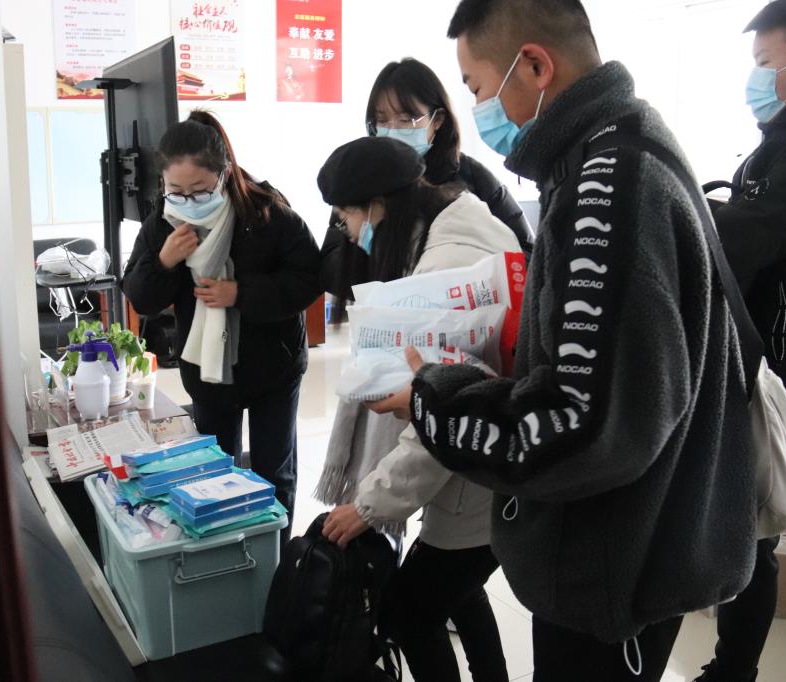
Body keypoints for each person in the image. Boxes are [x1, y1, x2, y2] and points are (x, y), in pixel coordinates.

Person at [370, 1, 760, 679]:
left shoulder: (604, 188)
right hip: (639, 540)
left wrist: (433, 400)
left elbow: (583, 423)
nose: (480, 107)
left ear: (535, 65)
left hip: (612, 565)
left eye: (476, 86)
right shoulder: (627, 142)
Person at [315, 135, 522, 682]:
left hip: (473, 476)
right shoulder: (462, 223)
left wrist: (368, 505)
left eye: (346, 216)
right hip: (492, 465)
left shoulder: (441, 271)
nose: (348, 231)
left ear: (377, 207)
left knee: (407, 614)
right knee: (457, 592)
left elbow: (441, 415)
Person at [697, 2, 786, 680]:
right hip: (762, 364)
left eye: (765, 64)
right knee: (740, 525)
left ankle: (733, 671)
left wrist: (679, 208)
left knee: (753, 533)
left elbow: (753, 237)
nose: (756, 79)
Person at [121, 110, 322, 543]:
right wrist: (164, 261)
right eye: (176, 191)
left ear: (224, 174)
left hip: (273, 367)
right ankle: (227, 560)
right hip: (208, 375)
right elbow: (139, 296)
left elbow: (308, 279)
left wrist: (241, 293)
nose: (188, 201)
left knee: (273, 472)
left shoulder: (267, 214)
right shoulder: (162, 225)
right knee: (213, 474)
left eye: (200, 190)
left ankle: (274, 561)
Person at [320, 57, 533, 303]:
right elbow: (332, 264)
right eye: (382, 120)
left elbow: (525, 253)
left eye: (406, 120)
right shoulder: (363, 178)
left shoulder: (474, 179)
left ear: (438, 120)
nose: (392, 130)